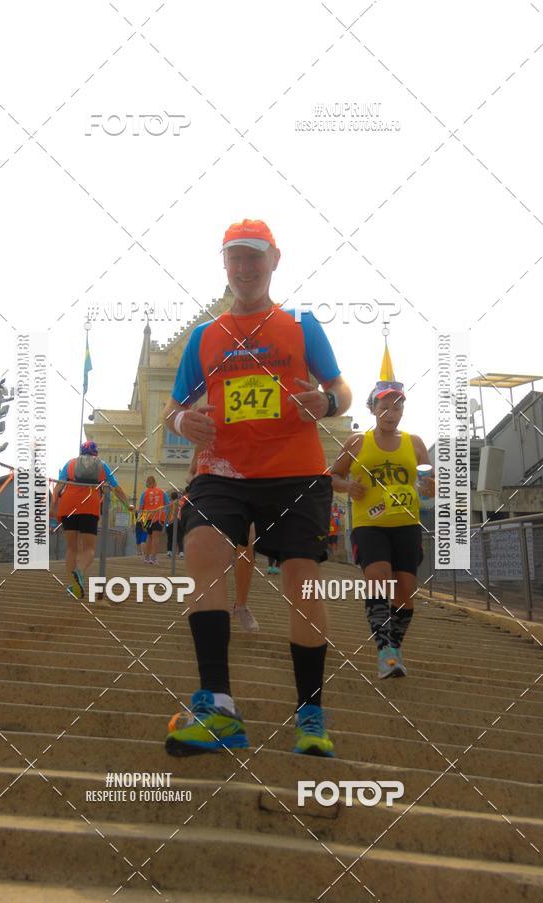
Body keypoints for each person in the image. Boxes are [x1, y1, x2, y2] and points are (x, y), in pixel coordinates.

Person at [162, 218, 351, 757]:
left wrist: (330, 403)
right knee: (200, 545)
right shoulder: (204, 337)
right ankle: (219, 707)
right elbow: (177, 405)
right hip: (221, 469)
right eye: (235, 258)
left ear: (274, 260)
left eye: (255, 257)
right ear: (224, 266)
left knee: (301, 577)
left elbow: (340, 386)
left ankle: (310, 713)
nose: (245, 268)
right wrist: (181, 424)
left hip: (294, 469)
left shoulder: (300, 324)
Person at [331, 368, 435, 679]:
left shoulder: (414, 443)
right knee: (378, 577)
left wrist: (430, 487)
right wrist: (348, 487)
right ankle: (384, 651)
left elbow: (428, 482)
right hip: (369, 523)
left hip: (406, 523)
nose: (392, 413)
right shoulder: (357, 441)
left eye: (398, 407)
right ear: (373, 409)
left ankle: (394, 648)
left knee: (405, 590)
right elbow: (332, 475)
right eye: (385, 407)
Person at [187, 447, 259, 631]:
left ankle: (240, 606)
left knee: (247, 545)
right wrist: (193, 476)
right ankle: (210, 609)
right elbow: (194, 462)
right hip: (212, 489)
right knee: (210, 548)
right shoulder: (208, 425)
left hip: (245, 486)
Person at [50, 440, 134, 599]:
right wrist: (127, 504)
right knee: (89, 548)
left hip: (69, 506)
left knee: (71, 548)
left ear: (81, 452)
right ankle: (79, 573)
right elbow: (116, 488)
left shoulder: (70, 464)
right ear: (96, 452)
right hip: (89, 506)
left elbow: (58, 486)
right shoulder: (102, 465)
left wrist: (53, 507)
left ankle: (72, 585)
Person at [138, 477, 169, 564]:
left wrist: (141, 521)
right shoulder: (162, 492)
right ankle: (153, 558)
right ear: (155, 482)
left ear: (147, 483)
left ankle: (147, 558)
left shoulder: (144, 493)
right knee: (156, 538)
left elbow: (141, 508)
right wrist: (166, 519)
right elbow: (168, 505)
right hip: (158, 517)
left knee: (149, 537)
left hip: (148, 517)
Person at [165, 491, 184, 559]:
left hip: (170, 522)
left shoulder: (170, 504)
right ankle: (181, 553)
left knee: (170, 537)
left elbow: (167, 513)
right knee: (180, 538)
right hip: (180, 521)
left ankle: (169, 551)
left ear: (171, 497)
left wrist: (166, 523)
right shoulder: (181, 503)